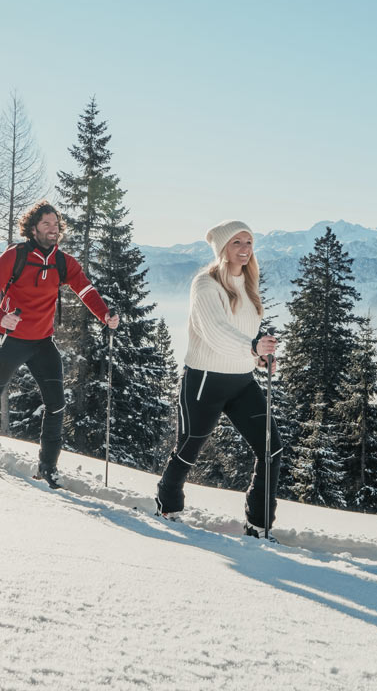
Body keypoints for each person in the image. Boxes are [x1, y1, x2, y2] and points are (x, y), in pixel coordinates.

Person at [0, 200, 119, 487]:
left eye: (56, 225)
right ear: (33, 228)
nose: (53, 229)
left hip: (43, 343)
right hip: (9, 340)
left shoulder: (63, 262)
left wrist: (105, 315)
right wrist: (0, 316)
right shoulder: (15, 255)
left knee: (56, 405)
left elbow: (86, 290)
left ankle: (48, 470)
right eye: (46, 224)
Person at [155, 220, 280, 536]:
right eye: (237, 242)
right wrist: (252, 346)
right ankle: (167, 505)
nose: (244, 249)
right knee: (189, 449)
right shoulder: (205, 284)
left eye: (249, 242)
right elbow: (215, 332)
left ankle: (258, 524)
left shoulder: (248, 286)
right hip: (205, 380)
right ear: (223, 248)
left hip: (242, 382)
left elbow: (243, 332)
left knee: (271, 450)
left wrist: (260, 354)